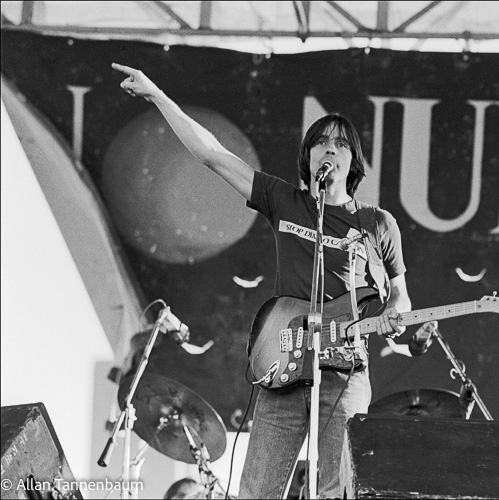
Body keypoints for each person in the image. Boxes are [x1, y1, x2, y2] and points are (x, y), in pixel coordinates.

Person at [112, 62, 420, 499]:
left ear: (353, 160)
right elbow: (213, 155)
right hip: (282, 367)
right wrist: (158, 96)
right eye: (319, 143)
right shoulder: (286, 201)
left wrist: (395, 315)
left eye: (339, 144)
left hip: (345, 372)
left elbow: (401, 297)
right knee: (257, 491)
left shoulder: (377, 224)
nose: (328, 150)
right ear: (308, 156)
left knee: (339, 491)